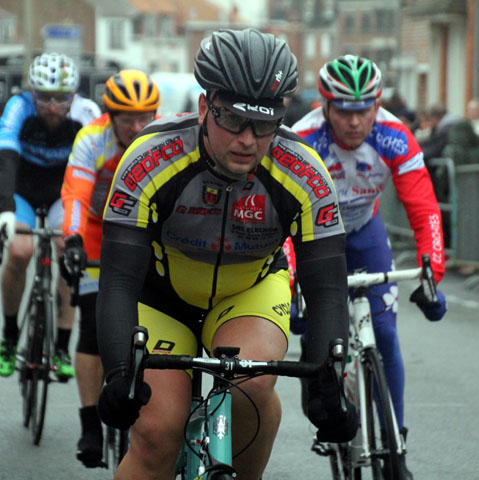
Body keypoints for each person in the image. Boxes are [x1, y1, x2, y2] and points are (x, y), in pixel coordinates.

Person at [94, 28, 358, 480]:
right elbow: (117, 279)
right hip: (161, 300)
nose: (248, 140)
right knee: (158, 433)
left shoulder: (302, 171)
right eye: (233, 119)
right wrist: (121, 371)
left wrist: (327, 380)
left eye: (265, 124)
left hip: (249, 291)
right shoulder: (150, 156)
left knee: (250, 387)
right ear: (204, 108)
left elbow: (327, 288)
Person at [293, 54, 447, 479]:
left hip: (364, 233)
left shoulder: (395, 135)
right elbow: (283, 215)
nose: (356, 121)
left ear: (377, 106)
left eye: (365, 109)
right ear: (325, 106)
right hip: (313, 237)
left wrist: (432, 272)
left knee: (386, 333)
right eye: (344, 110)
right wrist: (290, 284)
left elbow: (424, 208)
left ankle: (395, 441)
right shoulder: (303, 139)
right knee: (322, 337)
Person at [59, 70, 160, 468]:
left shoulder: (161, 138)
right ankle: (89, 425)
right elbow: (76, 195)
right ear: (109, 116)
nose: (136, 128)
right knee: (92, 323)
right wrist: (71, 241)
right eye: (126, 120)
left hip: (147, 230)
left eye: (144, 118)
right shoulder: (91, 140)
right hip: (99, 232)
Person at [0, 53, 101, 380]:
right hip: (22, 190)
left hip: (62, 193)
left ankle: (63, 344)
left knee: (69, 250)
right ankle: (10, 335)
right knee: (20, 250)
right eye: (45, 98)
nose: (53, 107)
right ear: (32, 93)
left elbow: (97, 171)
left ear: (74, 95)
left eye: (61, 98)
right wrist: (5, 212)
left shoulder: (87, 114)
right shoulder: (18, 108)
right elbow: (6, 158)